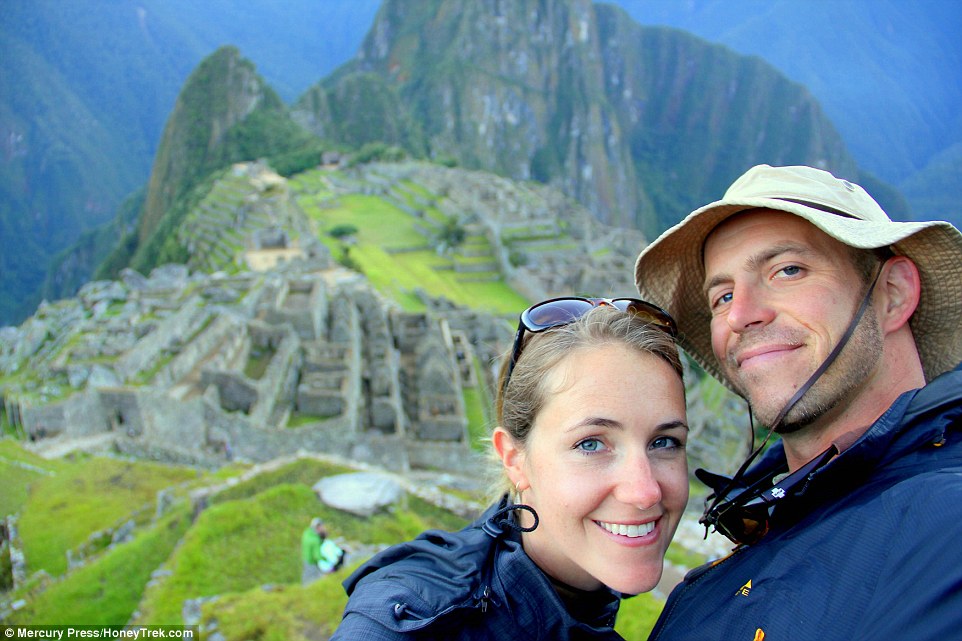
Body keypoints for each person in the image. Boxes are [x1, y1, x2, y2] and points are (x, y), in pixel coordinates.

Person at [633, 164, 962, 640]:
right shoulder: (723, 570)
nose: (741, 315)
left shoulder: (944, 530)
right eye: (722, 296)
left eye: (788, 270)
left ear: (892, 294)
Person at [332, 299, 690, 639]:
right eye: (590, 443)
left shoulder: (584, 586)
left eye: (665, 442)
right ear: (515, 459)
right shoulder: (410, 616)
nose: (645, 492)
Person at [302, 517, 344, 584]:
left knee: (306, 575)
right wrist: (328, 560)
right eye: (321, 526)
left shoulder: (307, 532)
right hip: (312, 561)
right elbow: (317, 556)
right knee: (313, 579)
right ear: (317, 527)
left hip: (306, 557)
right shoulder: (316, 540)